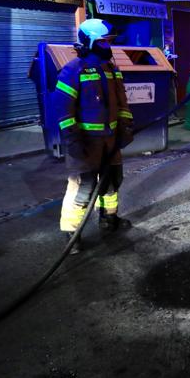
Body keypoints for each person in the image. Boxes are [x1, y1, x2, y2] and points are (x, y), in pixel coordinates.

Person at [54, 19, 134, 254]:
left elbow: (122, 103)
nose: (108, 46)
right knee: (84, 187)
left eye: (110, 41)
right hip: (86, 143)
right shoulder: (72, 70)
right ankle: (72, 233)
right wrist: (73, 140)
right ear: (89, 41)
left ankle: (109, 219)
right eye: (103, 42)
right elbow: (63, 110)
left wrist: (125, 128)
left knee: (112, 182)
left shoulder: (111, 69)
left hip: (110, 140)